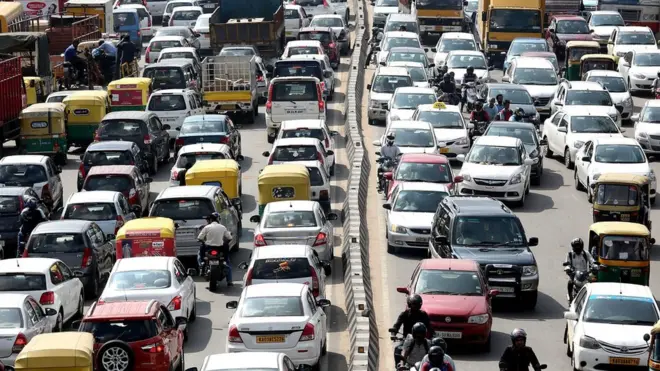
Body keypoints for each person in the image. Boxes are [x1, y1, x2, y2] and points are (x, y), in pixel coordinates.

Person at [197, 213, 233, 285]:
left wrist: (204, 242)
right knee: (227, 262)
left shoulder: (207, 227)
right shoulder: (222, 227)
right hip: (220, 249)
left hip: (208, 248)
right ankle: (229, 281)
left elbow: (199, 238)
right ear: (218, 219)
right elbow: (229, 238)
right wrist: (224, 242)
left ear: (210, 220)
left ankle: (201, 265)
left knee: (199, 256)